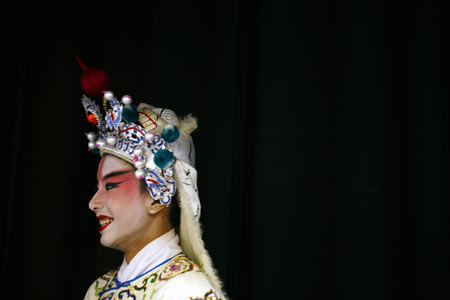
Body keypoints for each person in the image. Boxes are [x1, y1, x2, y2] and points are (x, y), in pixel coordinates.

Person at [77, 59, 225, 300]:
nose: (93, 202)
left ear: (158, 197)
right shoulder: (98, 290)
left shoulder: (189, 291)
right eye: (98, 187)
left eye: (111, 185)